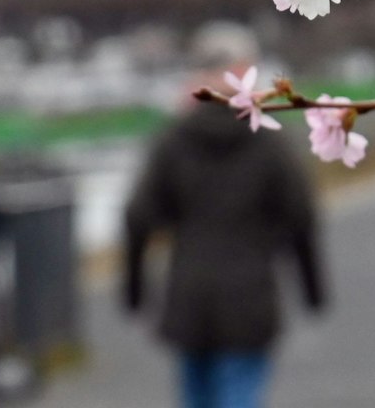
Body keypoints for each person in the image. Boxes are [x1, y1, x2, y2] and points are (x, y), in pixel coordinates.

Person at [124, 61, 325, 408]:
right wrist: (312, 288)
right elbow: (301, 216)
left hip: (189, 293)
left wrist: (134, 289)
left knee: (196, 394)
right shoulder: (269, 144)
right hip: (251, 296)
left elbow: (138, 216)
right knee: (240, 392)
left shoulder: (173, 141)